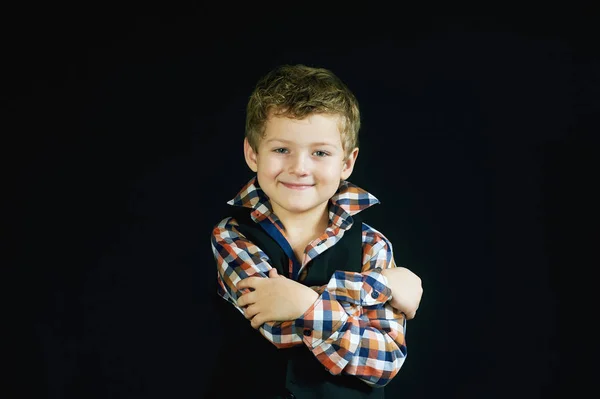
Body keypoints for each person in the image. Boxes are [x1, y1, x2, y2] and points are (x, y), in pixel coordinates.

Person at [208, 64, 423, 399]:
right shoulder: (232, 236)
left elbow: (383, 360)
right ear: (253, 153)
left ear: (346, 163)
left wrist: (302, 303)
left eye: (320, 152)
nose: (299, 167)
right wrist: (381, 285)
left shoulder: (373, 245)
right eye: (281, 149)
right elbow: (274, 328)